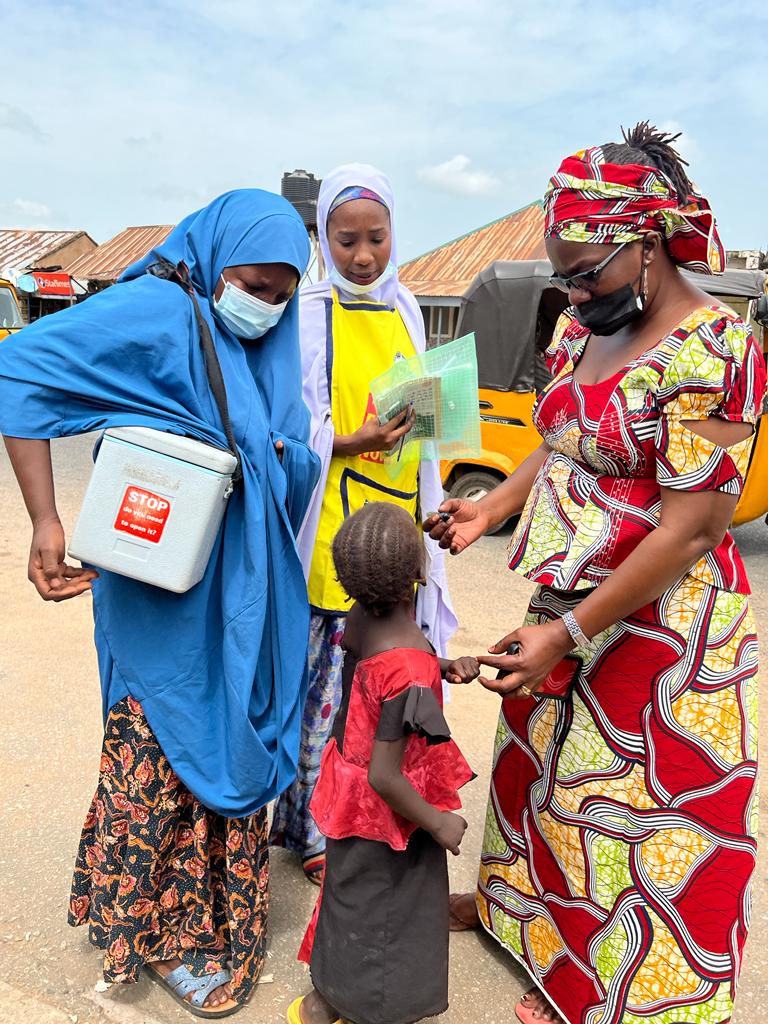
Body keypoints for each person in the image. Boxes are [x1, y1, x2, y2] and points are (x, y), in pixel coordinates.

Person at [425, 124, 766, 1024]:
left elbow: (693, 529)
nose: (572, 292)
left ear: (647, 242)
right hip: (564, 602)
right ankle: (513, 916)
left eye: (585, 273)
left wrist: (571, 632)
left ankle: (595, 981)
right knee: (539, 767)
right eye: (563, 275)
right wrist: (492, 509)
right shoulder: (582, 326)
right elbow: (560, 437)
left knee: (620, 807)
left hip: (662, 624)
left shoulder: (716, 351)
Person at [0, 191, 321, 1017]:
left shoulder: (264, 346)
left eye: (282, 293)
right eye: (253, 284)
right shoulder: (157, 311)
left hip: (240, 597)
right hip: (159, 598)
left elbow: (286, 456)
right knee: (158, 743)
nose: (266, 305)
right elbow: (18, 369)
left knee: (230, 735)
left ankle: (197, 926)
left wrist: (277, 457)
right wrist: (44, 520)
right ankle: (153, 931)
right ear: (215, 261)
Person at [270, 164, 456, 884]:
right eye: (345, 241)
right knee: (325, 690)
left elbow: (426, 427)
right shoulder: (308, 314)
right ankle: (314, 831)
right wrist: (353, 441)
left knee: (380, 689)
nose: (363, 256)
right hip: (333, 531)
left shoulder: (407, 309)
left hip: (395, 525)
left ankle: (368, 815)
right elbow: (291, 427)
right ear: (323, 239)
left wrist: (428, 495)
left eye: (376, 238)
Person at [287, 502, 476, 1024]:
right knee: (389, 912)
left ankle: (322, 1001)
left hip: (346, 793)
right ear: (418, 573)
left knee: (348, 896)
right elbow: (386, 774)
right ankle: (360, 1007)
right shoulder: (409, 665)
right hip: (389, 813)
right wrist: (438, 822)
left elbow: (381, 673)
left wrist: (440, 666)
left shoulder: (359, 619)